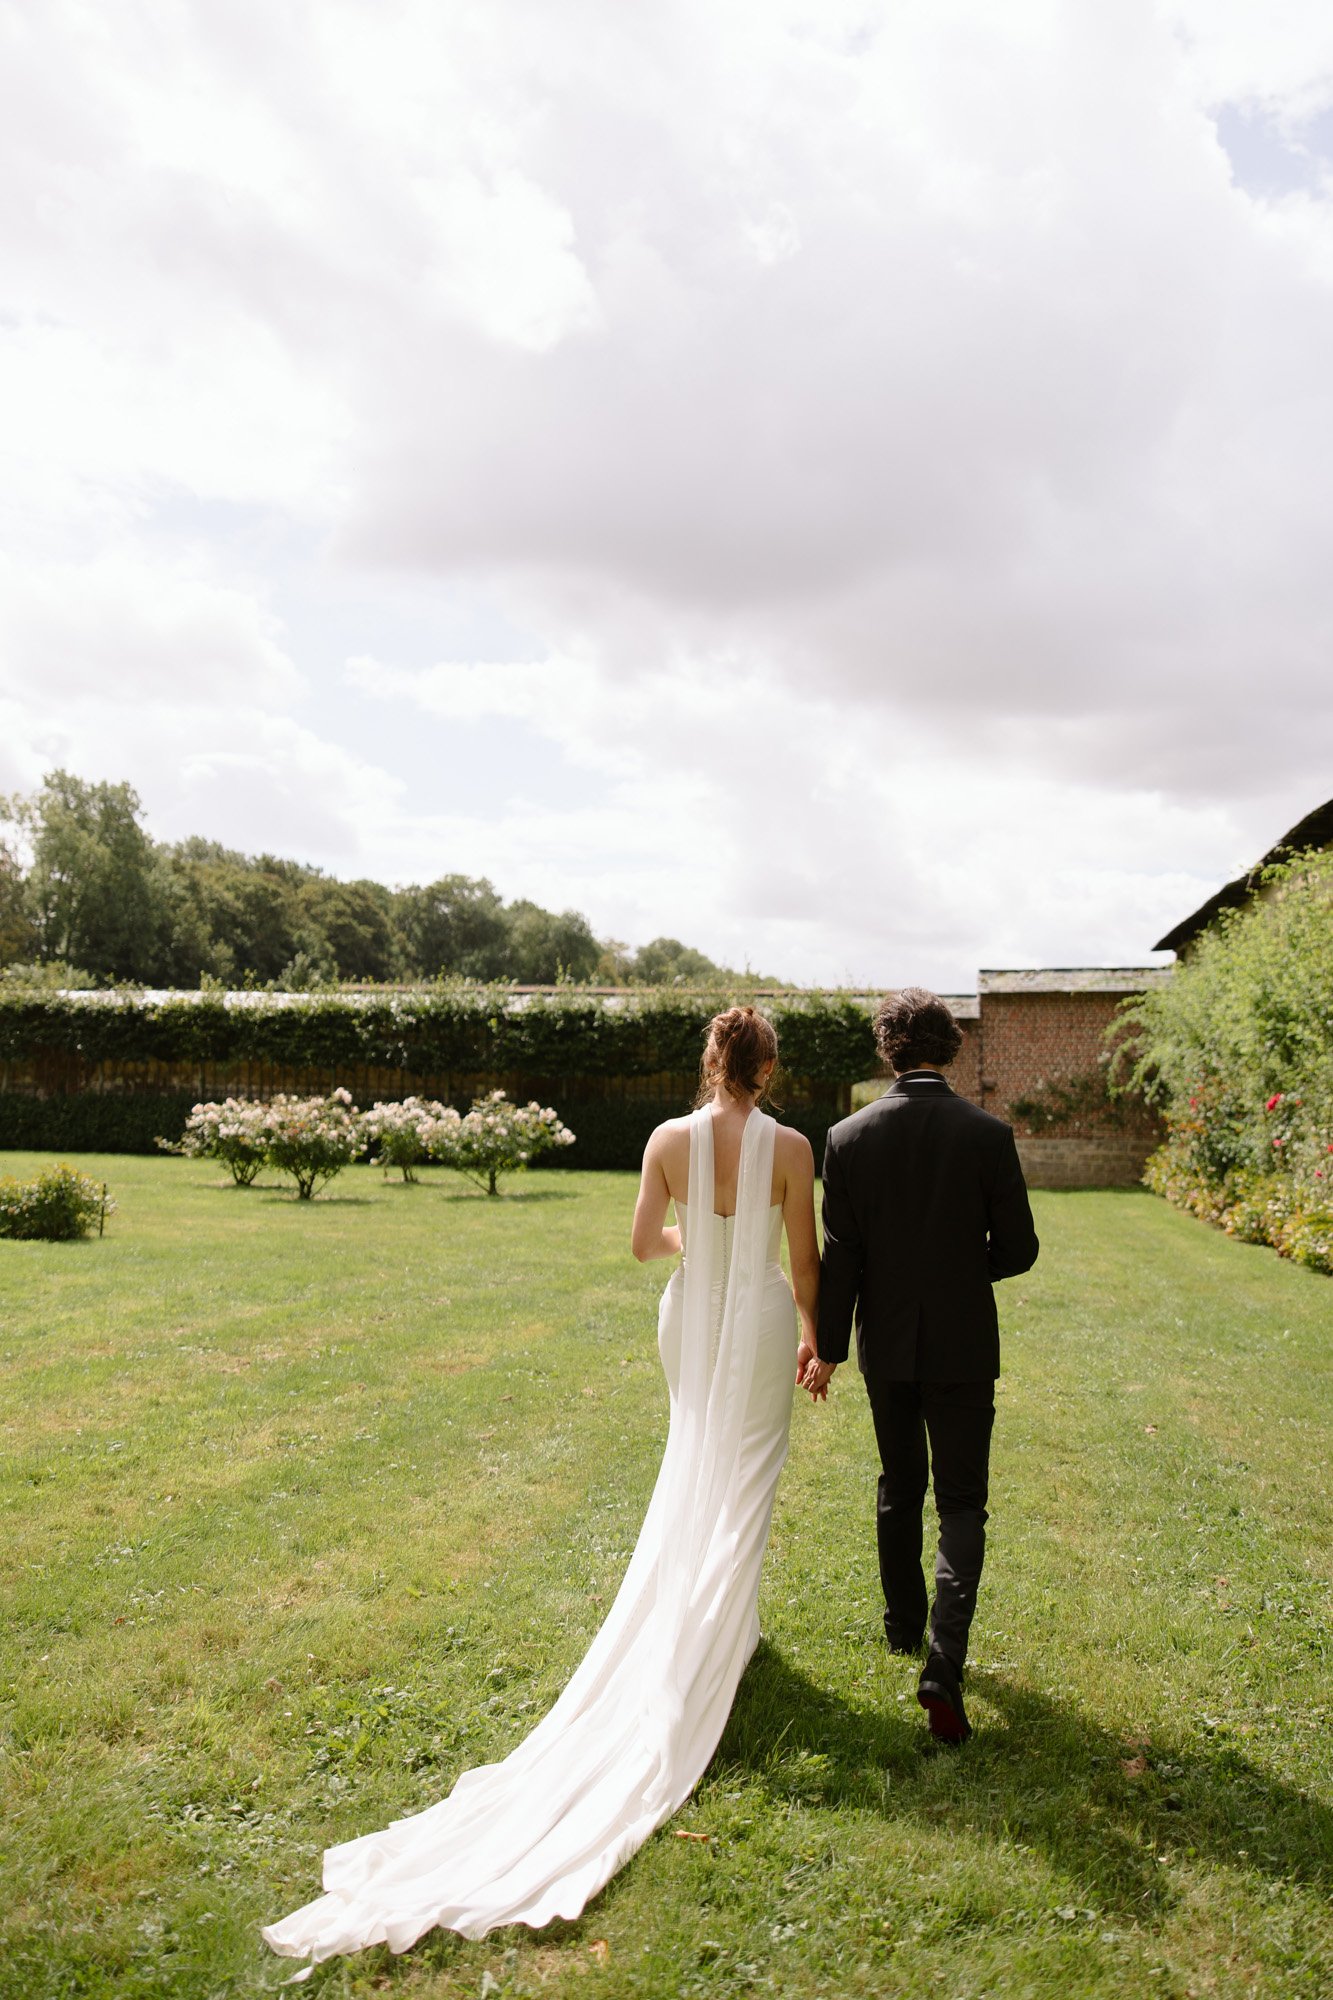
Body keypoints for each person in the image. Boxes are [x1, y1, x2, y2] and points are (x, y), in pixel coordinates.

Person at [263, 1006, 825, 1973]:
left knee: (692, 1461)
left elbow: (644, 1242)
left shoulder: (663, 1138)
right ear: (765, 1067)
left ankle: (718, 1627)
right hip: (764, 1319)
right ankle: (723, 1634)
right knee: (745, 1480)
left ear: (710, 1060)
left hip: (689, 1318)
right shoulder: (790, 1147)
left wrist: (698, 1254)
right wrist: (814, 1336)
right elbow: (804, 1258)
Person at [816, 987, 1038, 1744]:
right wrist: (959, 1268)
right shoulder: (986, 1132)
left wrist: (830, 1348)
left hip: (886, 1344)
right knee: (963, 1502)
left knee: (898, 1483)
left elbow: (841, 1257)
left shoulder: (845, 1137)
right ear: (949, 1049)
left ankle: (902, 1628)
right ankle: (942, 1660)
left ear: (887, 1050)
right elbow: (1019, 1251)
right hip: (963, 1343)